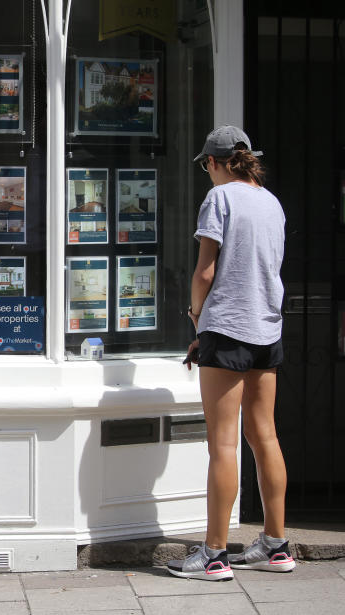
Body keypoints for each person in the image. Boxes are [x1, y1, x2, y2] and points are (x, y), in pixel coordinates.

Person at [167, 126, 295, 581]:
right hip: (266, 327)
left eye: (206, 165)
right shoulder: (272, 202)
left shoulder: (219, 199)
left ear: (216, 163)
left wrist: (195, 318)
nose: (207, 173)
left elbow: (206, 271)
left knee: (222, 442)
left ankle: (215, 555)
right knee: (265, 437)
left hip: (227, 326)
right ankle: (276, 545)